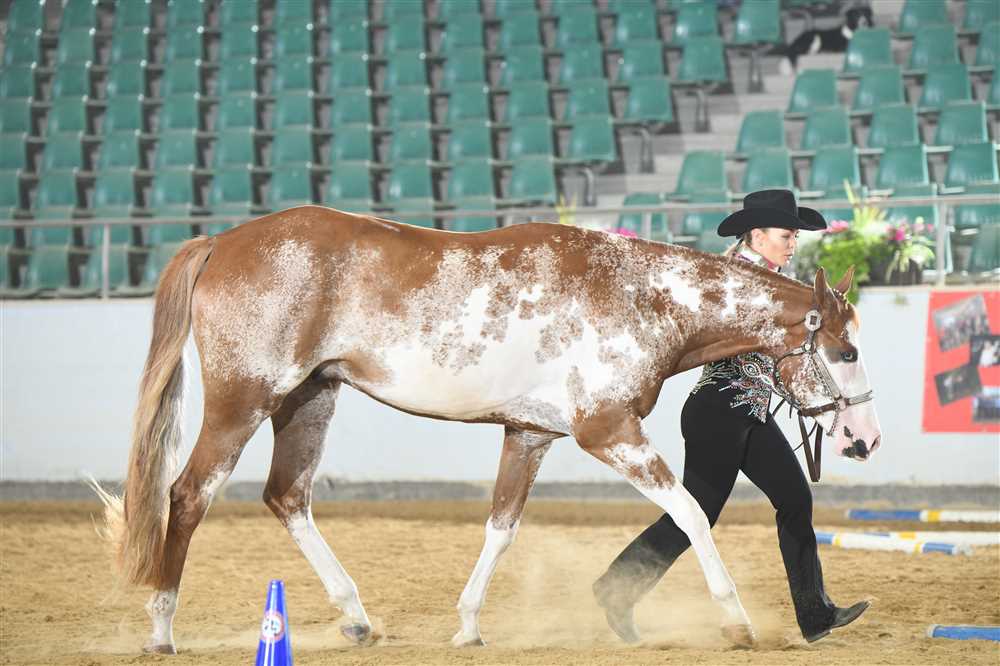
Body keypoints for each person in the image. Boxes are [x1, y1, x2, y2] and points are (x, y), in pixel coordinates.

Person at [592, 189, 869, 645]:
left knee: (795, 500)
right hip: (719, 411)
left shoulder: (773, 282)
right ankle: (616, 588)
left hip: (750, 411)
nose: (793, 243)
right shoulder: (733, 277)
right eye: (785, 235)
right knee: (697, 515)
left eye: (795, 236)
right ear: (757, 236)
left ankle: (815, 613)